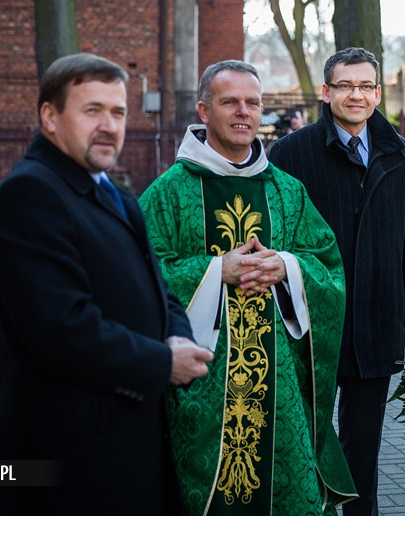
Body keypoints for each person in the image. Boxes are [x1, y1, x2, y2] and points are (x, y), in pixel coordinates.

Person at [0, 53, 212, 515]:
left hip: (131, 434)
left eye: (118, 112)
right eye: (92, 111)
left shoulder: (115, 193)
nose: (109, 125)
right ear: (50, 116)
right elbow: (61, 330)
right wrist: (163, 362)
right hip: (74, 451)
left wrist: (177, 334)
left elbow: (159, 288)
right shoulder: (30, 195)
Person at [138, 60, 357, 515]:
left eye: (252, 102)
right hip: (202, 388)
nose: (243, 112)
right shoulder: (168, 193)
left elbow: (329, 268)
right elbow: (139, 272)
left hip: (281, 390)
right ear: (203, 110)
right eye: (229, 102)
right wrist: (218, 270)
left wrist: (287, 268)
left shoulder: (287, 191)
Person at [268, 47, 405, 516]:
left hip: (378, 322)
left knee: (363, 448)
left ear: (378, 94)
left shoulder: (397, 152)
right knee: (309, 440)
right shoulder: (290, 153)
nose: (355, 95)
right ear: (326, 93)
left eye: (365, 86)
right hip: (310, 327)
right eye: (345, 85)